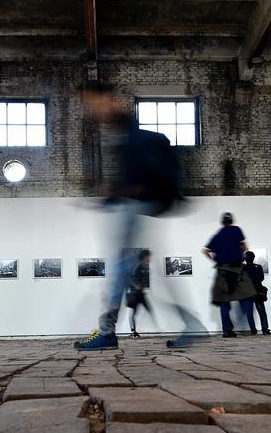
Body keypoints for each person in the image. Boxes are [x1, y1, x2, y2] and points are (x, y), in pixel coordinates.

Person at [73, 82, 190, 351]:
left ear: (107, 98)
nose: (91, 108)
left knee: (119, 268)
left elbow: (142, 174)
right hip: (133, 205)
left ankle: (107, 332)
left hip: (135, 206)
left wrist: (120, 191)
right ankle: (191, 324)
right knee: (137, 269)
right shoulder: (122, 131)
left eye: (93, 101)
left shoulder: (129, 130)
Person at [202, 213, 257, 337]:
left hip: (222, 271)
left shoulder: (218, 234)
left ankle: (227, 330)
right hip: (237, 269)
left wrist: (216, 260)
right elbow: (244, 246)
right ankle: (241, 321)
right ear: (232, 221)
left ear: (222, 222)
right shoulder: (237, 230)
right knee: (247, 295)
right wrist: (239, 253)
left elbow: (204, 250)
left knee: (224, 301)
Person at [244, 251, 271, 335]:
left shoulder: (243, 268)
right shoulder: (258, 267)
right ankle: (265, 329)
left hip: (247, 292)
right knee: (262, 311)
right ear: (253, 258)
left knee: (249, 312)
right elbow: (261, 278)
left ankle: (253, 330)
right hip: (258, 291)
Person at [126, 249, 152, 338]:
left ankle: (156, 327)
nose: (150, 259)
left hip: (140, 293)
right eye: (148, 257)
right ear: (145, 257)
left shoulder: (145, 267)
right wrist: (136, 285)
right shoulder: (138, 266)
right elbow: (129, 278)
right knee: (134, 312)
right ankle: (133, 332)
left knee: (148, 309)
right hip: (135, 293)